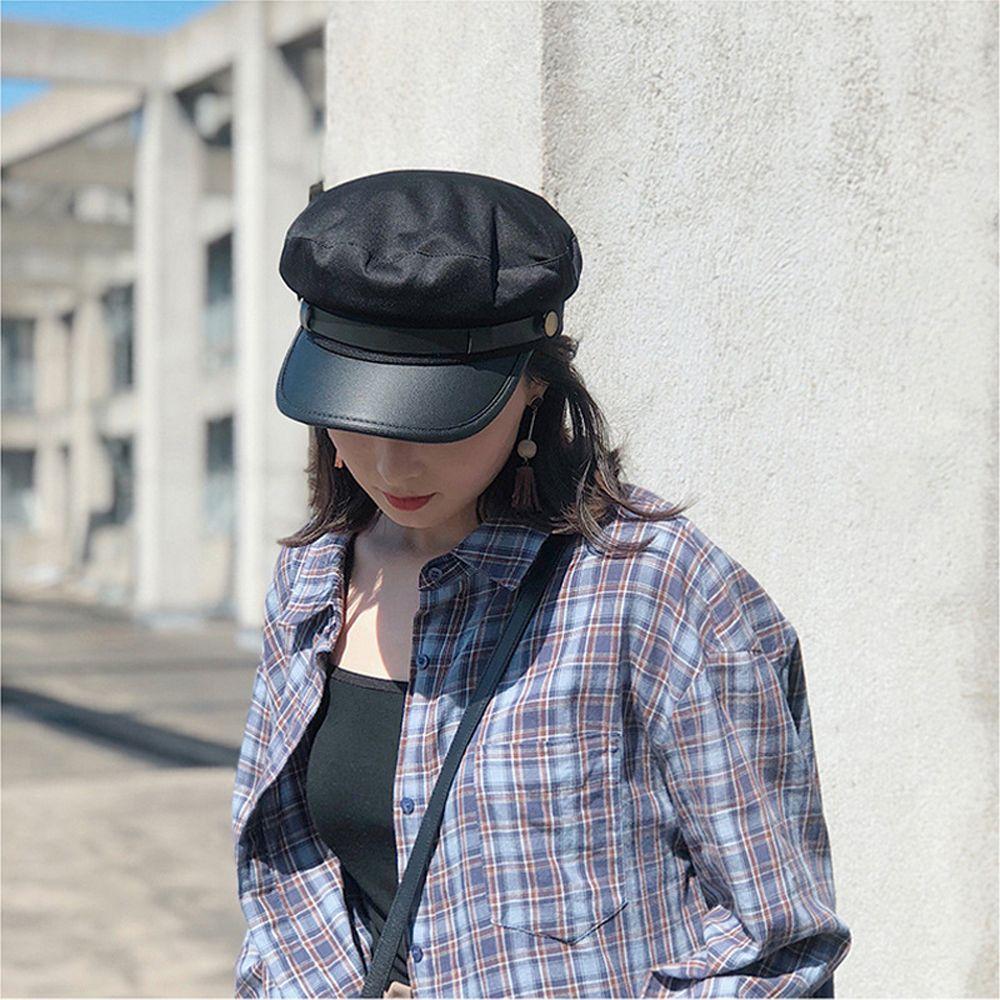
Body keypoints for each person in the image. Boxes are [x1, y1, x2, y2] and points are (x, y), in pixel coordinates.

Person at [231, 168, 851, 998]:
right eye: (358, 414)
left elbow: (777, 942)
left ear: (532, 382)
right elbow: (285, 891)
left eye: (434, 420)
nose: (390, 463)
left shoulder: (651, 587)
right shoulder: (310, 580)